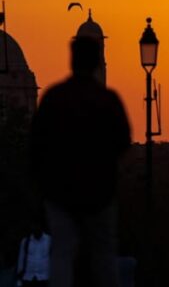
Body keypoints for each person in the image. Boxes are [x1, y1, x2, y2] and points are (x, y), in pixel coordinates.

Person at [30, 37, 131, 287]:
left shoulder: (54, 98)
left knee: (62, 252)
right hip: (100, 193)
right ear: (98, 61)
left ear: (72, 60)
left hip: (60, 192)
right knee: (104, 254)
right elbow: (123, 142)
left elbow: (36, 144)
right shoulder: (107, 100)